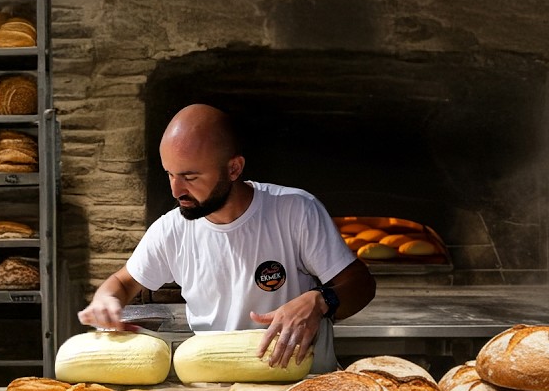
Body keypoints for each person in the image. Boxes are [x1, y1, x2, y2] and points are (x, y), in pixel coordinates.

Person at [77, 103, 376, 372]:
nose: (176, 190)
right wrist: (106, 298)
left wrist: (321, 300)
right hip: (215, 385)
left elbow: (361, 284)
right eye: (170, 174)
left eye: (190, 177)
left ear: (234, 168)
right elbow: (123, 283)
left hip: (303, 379)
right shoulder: (172, 229)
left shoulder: (295, 210)